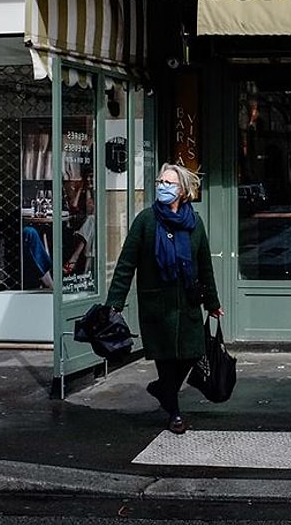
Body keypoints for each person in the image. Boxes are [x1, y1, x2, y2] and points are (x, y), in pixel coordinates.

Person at [106, 163, 224, 435]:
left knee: (191, 354)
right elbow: (126, 264)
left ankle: (163, 390)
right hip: (157, 307)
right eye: (161, 182)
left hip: (189, 304)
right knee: (166, 361)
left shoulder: (194, 223)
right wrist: (115, 303)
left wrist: (213, 303)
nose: (162, 187)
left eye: (169, 183)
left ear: (183, 191)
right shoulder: (146, 220)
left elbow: (204, 265)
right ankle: (175, 412)